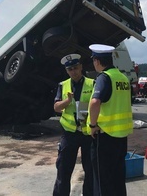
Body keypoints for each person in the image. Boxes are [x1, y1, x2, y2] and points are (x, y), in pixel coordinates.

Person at [87, 44, 133, 196]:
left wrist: (92, 125)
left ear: (97, 61)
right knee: (118, 178)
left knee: (102, 180)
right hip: (121, 137)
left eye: (94, 60)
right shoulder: (123, 78)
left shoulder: (104, 78)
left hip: (105, 135)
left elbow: (95, 102)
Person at [53, 53, 94, 196]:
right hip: (69, 133)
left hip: (88, 133)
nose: (73, 72)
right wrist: (67, 101)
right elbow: (56, 107)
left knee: (90, 170)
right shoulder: (62, 85)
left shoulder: (92, 83)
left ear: (81, 67)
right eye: (70, 69)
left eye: (76, 68)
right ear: (66, 71)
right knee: (63, 169)